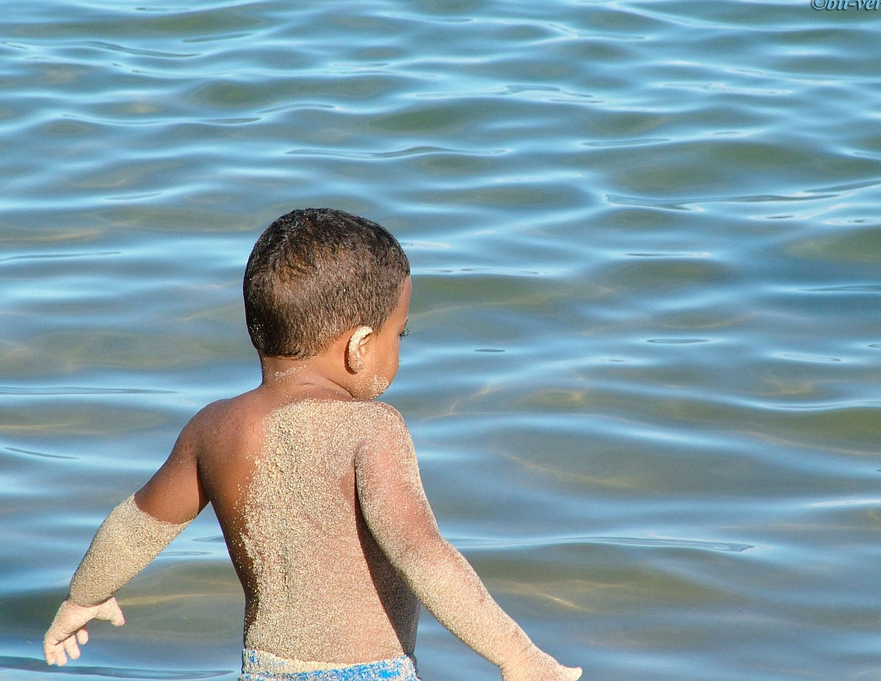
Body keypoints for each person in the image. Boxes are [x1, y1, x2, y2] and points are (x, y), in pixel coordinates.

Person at [43, 208, 582, 681]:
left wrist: (82, 597)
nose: (401, 346)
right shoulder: (371, 427)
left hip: (265, 670)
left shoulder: (214, 428)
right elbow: (422, 553)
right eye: (401, 334)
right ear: (360, 347)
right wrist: (517, 656)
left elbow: (136, 525)